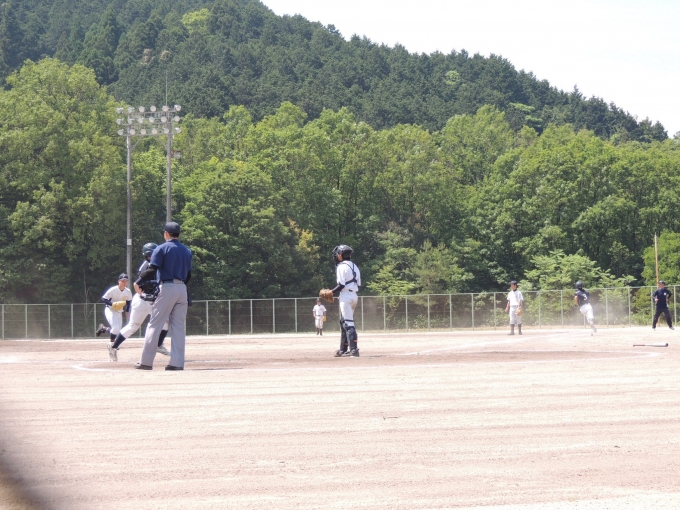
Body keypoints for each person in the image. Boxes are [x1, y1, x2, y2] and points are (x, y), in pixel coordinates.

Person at [134, 222, 192, 371]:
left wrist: (138, 281)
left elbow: (152, 269)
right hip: (182, 289)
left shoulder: (161, 248)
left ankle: (146, 362)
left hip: (167, 287)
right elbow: (189, 275)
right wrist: (180, 287)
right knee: (178, 327)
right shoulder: (187, 251)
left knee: (155, 324)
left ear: (166, 233)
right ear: (178, 234)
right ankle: (177, 363)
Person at [106, 243, 171, 362]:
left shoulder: (158, 265)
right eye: (150, 254)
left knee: (166, 322)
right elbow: (140, 284)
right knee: (133, 326)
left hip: (153, 301)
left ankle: (158, 345)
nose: (153, 256)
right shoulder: (146, 266)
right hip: (142, 300)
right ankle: (113, 346)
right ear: (146, 255)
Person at [325, 245, 361, 357]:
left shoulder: (341, 266)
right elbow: (358, 284)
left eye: (337, 254)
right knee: (344, 321)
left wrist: (331, 292)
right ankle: (343, 349)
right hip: (354, 295)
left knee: (348, 323)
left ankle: (354, 350)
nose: (336, 256)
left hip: (346, 296)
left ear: (341, 255)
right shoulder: (354, 266)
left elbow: (341, 284)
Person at [96, 274, 133, 343]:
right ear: (119, 281)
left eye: (126, 281)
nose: (124, 283)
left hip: (119, 311)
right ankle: (112, 344)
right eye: (123, 281)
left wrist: (127, 310)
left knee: (118, 331)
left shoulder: (128, 291)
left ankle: (103, 328)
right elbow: (104, 298)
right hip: (110, 310)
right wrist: (112, 304)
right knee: (115, 329)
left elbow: (129, 301)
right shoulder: (113, 289)